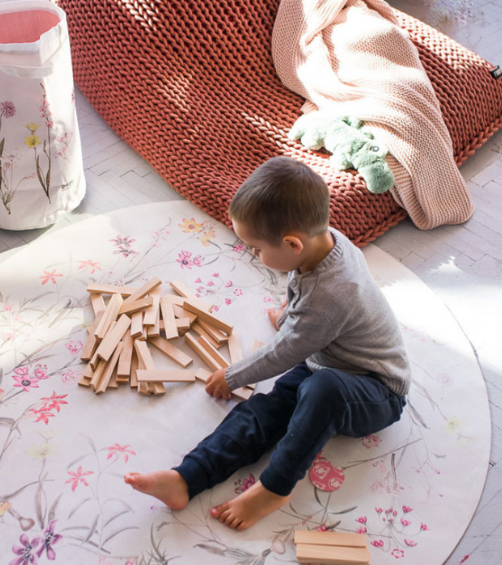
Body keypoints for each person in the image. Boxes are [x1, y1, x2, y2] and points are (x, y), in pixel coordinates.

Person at [125, 156, 410, 531]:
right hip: (326, 361)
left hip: (375, 391)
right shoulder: (328, 242)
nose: (254, 255)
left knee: (323, 392)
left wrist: (233, 375)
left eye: (256, 248)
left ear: (292, 244)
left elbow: (286, 350)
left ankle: (275, 488)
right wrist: (296, 318)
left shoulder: (331, 296)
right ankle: (187, 477)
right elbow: (308, 307)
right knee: (263, 411)